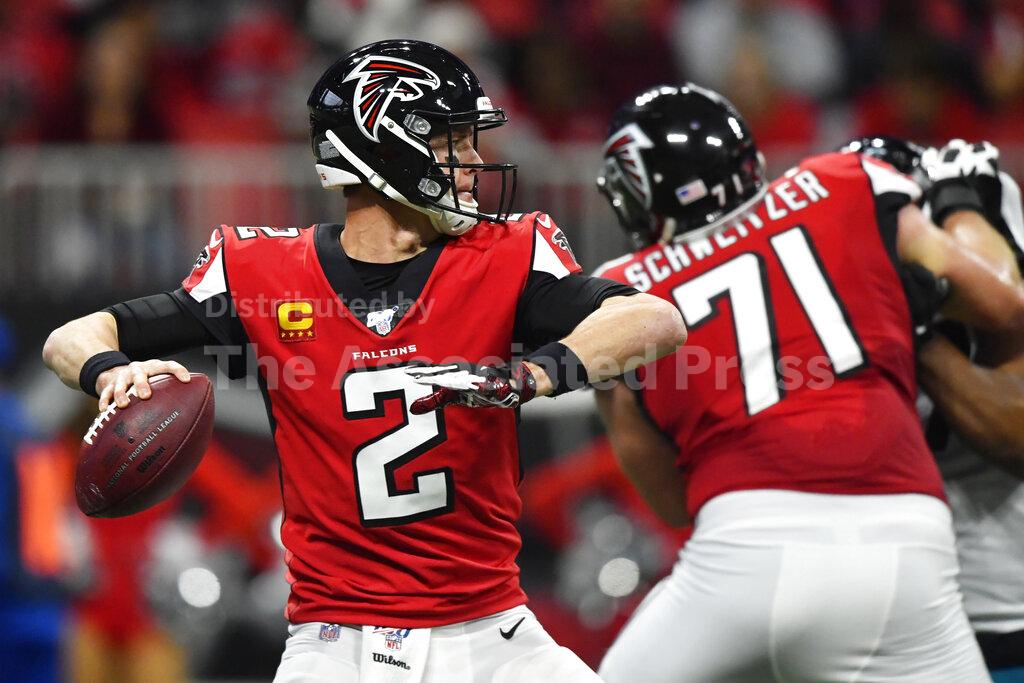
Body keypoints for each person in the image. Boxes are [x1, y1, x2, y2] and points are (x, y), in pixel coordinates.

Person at [41, 40, 686, 682]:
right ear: (383, 147)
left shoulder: (507, 253)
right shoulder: (262, 270)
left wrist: (530, 375)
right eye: (451, 142)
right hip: (336, 642)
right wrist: (110, 371)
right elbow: (72, 336)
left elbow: (654, 319)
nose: (473, 161)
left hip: (490, 630)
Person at [590, 83, 1024, 682]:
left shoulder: (620, 296)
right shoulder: (845, 181)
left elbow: (671, 503)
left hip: (748, 548)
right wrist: (954, 208)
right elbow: (1003, 302)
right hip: (911, 536)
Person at [859, 137, 1024, 680]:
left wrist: (918, 335)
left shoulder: (986, 236)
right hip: (889, 622)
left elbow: (1018, 437)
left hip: (1003, 608)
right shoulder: (812, 279)